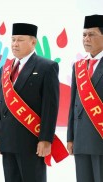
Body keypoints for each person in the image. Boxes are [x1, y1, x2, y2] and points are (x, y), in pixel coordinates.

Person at [0, 23, 61, 182]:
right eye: (13, 40)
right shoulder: (5, 68)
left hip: (32, 142)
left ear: (33, 42)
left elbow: (50, 107)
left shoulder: (47, 67)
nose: (15, 44)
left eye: (20, 40)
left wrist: (46, 139)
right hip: (7, 141)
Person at [67, 14, 103, 182]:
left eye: (92, 35)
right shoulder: (78, 66)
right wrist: (70, 138)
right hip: (81, 140)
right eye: (84, 35)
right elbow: (73, 105)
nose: (86, 39)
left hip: (100, 137)